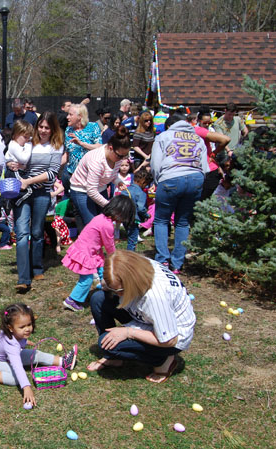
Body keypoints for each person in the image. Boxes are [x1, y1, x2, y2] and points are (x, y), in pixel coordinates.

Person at [86, 250, 196, 384]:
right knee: (98, 298)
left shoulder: (155, 297)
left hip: (172, 336)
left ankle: (164, 360)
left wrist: (128, 332)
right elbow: (111, 282)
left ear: (132, 282)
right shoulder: (138, 266)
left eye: (119, 290)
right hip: (147, 316)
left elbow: (170, 339)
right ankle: (114, 357)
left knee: (105, 344)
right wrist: (109, 285)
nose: (116, 293)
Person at [0, 303, 78, 407]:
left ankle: (64, 362)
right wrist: (26, 387)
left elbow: (17, 342)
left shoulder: (15, 334)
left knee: (36, 354)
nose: (27, 329)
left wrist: (25, 341)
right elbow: (18, 366)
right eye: (22, 327)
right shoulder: (11, 345)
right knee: (15, 378)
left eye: (29, 324)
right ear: (10, 328)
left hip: (8, 357)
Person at [8, 112, 64, 293]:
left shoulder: (56, 147)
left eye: (47, 128)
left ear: (53, 129)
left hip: (41, 193)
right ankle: (24, 277)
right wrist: (13, 164)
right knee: (22, 233)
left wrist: (28, 181)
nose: (43, 131)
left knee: (38, 232)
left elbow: (51, 173)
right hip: (23, 194)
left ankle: (37, 267)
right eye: (41, 127)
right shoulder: (29, 143)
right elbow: (18, 159)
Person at [150, 110, 209, 273]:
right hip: (195, 178)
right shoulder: (198, 139)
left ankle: (162, 260)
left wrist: (157, 181)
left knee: (162, 220)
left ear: (169, 125)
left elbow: (155, 163)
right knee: (183, 221)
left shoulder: (163, 137)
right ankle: (177, 263)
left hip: (170, 177)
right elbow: (205, 166)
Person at [62, 196, 135, 311]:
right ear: (120, 212)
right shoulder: (107, 225)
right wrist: (116, 259)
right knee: (87, 279)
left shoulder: (101, 217)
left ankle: (105, 285)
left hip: (91, 250)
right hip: (86, 252)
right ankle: (72, 300)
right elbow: (109, 245)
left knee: (102, 267)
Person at [68, 126, 131, 232]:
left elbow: (112, 173)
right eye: (120, 156)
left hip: (100, 189)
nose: (122, 159)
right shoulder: (97, 161)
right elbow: (91, 191)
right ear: (110, 148)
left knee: (105, 222)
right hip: (82, 190)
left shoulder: (118, 156)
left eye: (125, 156)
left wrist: (118, 181)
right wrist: (110, 205)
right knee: (93, 225)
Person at [63, 103, 102, 191]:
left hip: (88, 176)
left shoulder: (93, 127)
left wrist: (81, 143)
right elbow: (67, 154)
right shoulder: (68, 130)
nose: (67, 117)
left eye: (70, 115)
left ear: (80, 116)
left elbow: (99, 147)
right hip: (70, 174)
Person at [121, 169, 153, 251]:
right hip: (133, 219)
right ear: (143, 182)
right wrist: (147, 215)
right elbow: (141, 208)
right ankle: (130, 257)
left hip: (124, 217)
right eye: (146, 184)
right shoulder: (141, 193)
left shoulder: (126, 190)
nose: (145, 187)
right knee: (133, 240)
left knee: (129, 235)